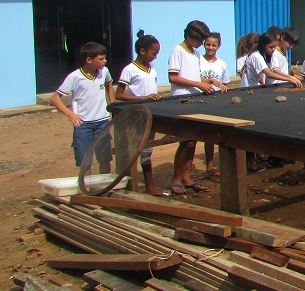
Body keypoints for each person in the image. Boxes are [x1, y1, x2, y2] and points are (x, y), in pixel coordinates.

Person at [51, 42, 115, 176]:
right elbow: (55, 98)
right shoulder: (74, 77)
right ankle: (88, 188)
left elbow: (109, 84)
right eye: (101, 59)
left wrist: (112, 103)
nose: (105, 61)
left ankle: (104, 187)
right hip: (83, 124)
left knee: (104, 158)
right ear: (89, 60)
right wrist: (70, 114)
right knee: (85, 160)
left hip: (102, 122)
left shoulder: (104, 72)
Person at [168, 20, 214, 195]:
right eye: (199, 40)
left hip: (195, 99)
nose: (202, 44)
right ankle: (176, 178)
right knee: (184, 141)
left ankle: (187, 176)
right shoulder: (177, 51)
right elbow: (173, 77)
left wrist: (208, 82)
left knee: (192, 140)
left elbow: (194, 76)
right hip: (181, 99)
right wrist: (199, 84)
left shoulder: (195, 54)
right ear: (189, 36)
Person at [115, 32, 163, 195]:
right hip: (137, 114)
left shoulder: (151, 68)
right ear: (142, 51)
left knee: (147, 149)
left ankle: (149, 186)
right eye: (153, 53)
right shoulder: (129, 70)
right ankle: (132, 185)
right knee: (135, 148)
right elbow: (119, 95)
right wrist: (143, 98)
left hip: (152, 112)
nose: (155, 57)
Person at [200, 32, 230, 180]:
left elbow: (225, 84)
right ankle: (209, 167)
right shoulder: (198, 61)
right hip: (202, 100)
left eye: (213, 45)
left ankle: (220, 166)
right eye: (208, 44)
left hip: (218, 102)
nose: (210, 47)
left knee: (219, 134)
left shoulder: (222, 64)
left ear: (219, 46)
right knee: (207, 135)